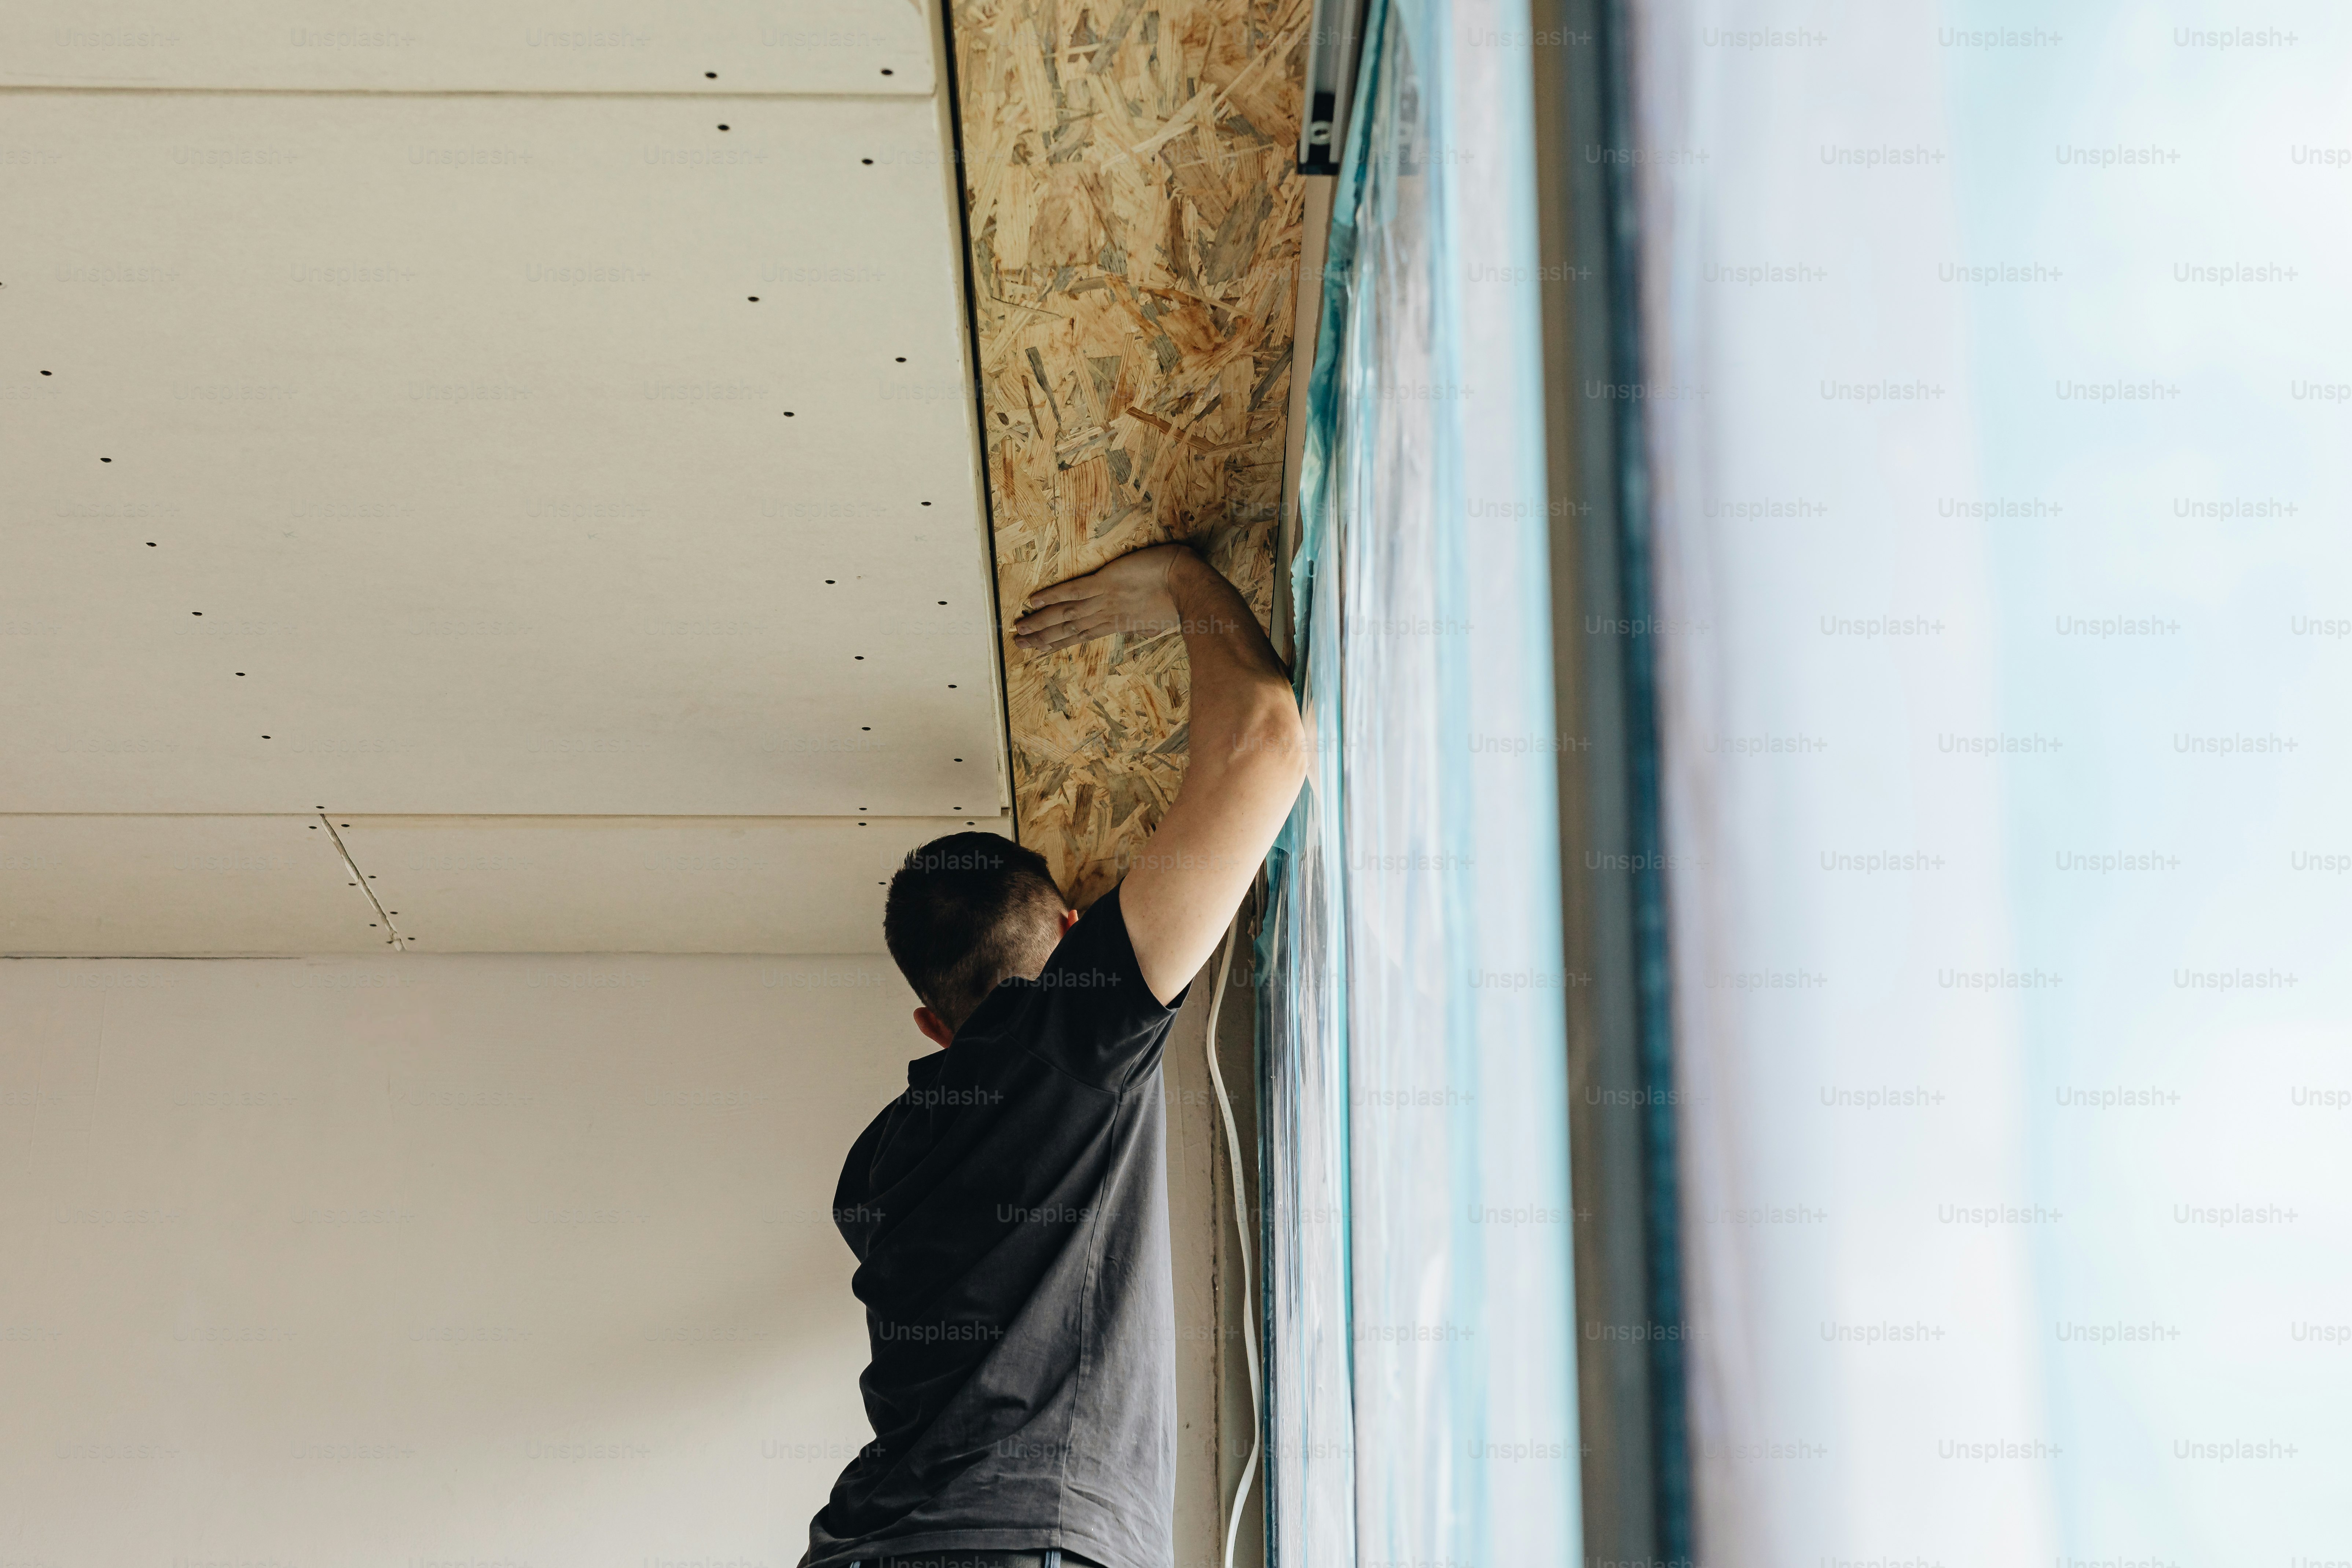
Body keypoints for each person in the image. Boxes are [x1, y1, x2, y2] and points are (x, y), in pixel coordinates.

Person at [800, 543, 1307, 1568]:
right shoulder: (1075, 1032)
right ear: (1073, 934)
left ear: (933, 1028)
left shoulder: (876, 1170)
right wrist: (1182, 579)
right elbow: (1267, 747)